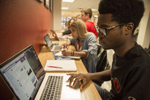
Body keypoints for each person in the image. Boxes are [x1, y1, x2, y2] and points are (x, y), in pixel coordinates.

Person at [66, 0, 150, 100]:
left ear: (128, 28)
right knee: (75, 87)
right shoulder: (121, 52)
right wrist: (88, 76)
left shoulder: (141, 68)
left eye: (105, 29)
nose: (99, 35)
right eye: (99, 29)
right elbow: (115, 72)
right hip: (110, 96)